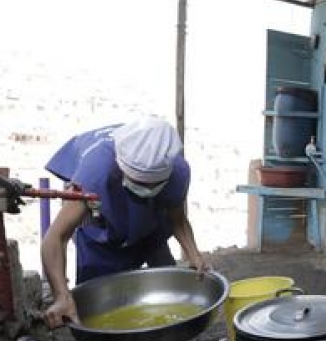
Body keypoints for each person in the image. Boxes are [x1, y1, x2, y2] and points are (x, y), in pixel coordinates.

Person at [41, 117, 209, 328]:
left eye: (151, 184)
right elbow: (55, 237)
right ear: (122, 168)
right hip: (101, 218)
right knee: (98, 293)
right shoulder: (96, 171)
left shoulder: (178, 171)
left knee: (167, 277)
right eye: (137, 181)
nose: (143, 189)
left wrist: (195, 256)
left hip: (148, 219)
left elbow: (178, 219)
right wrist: (61, 295)